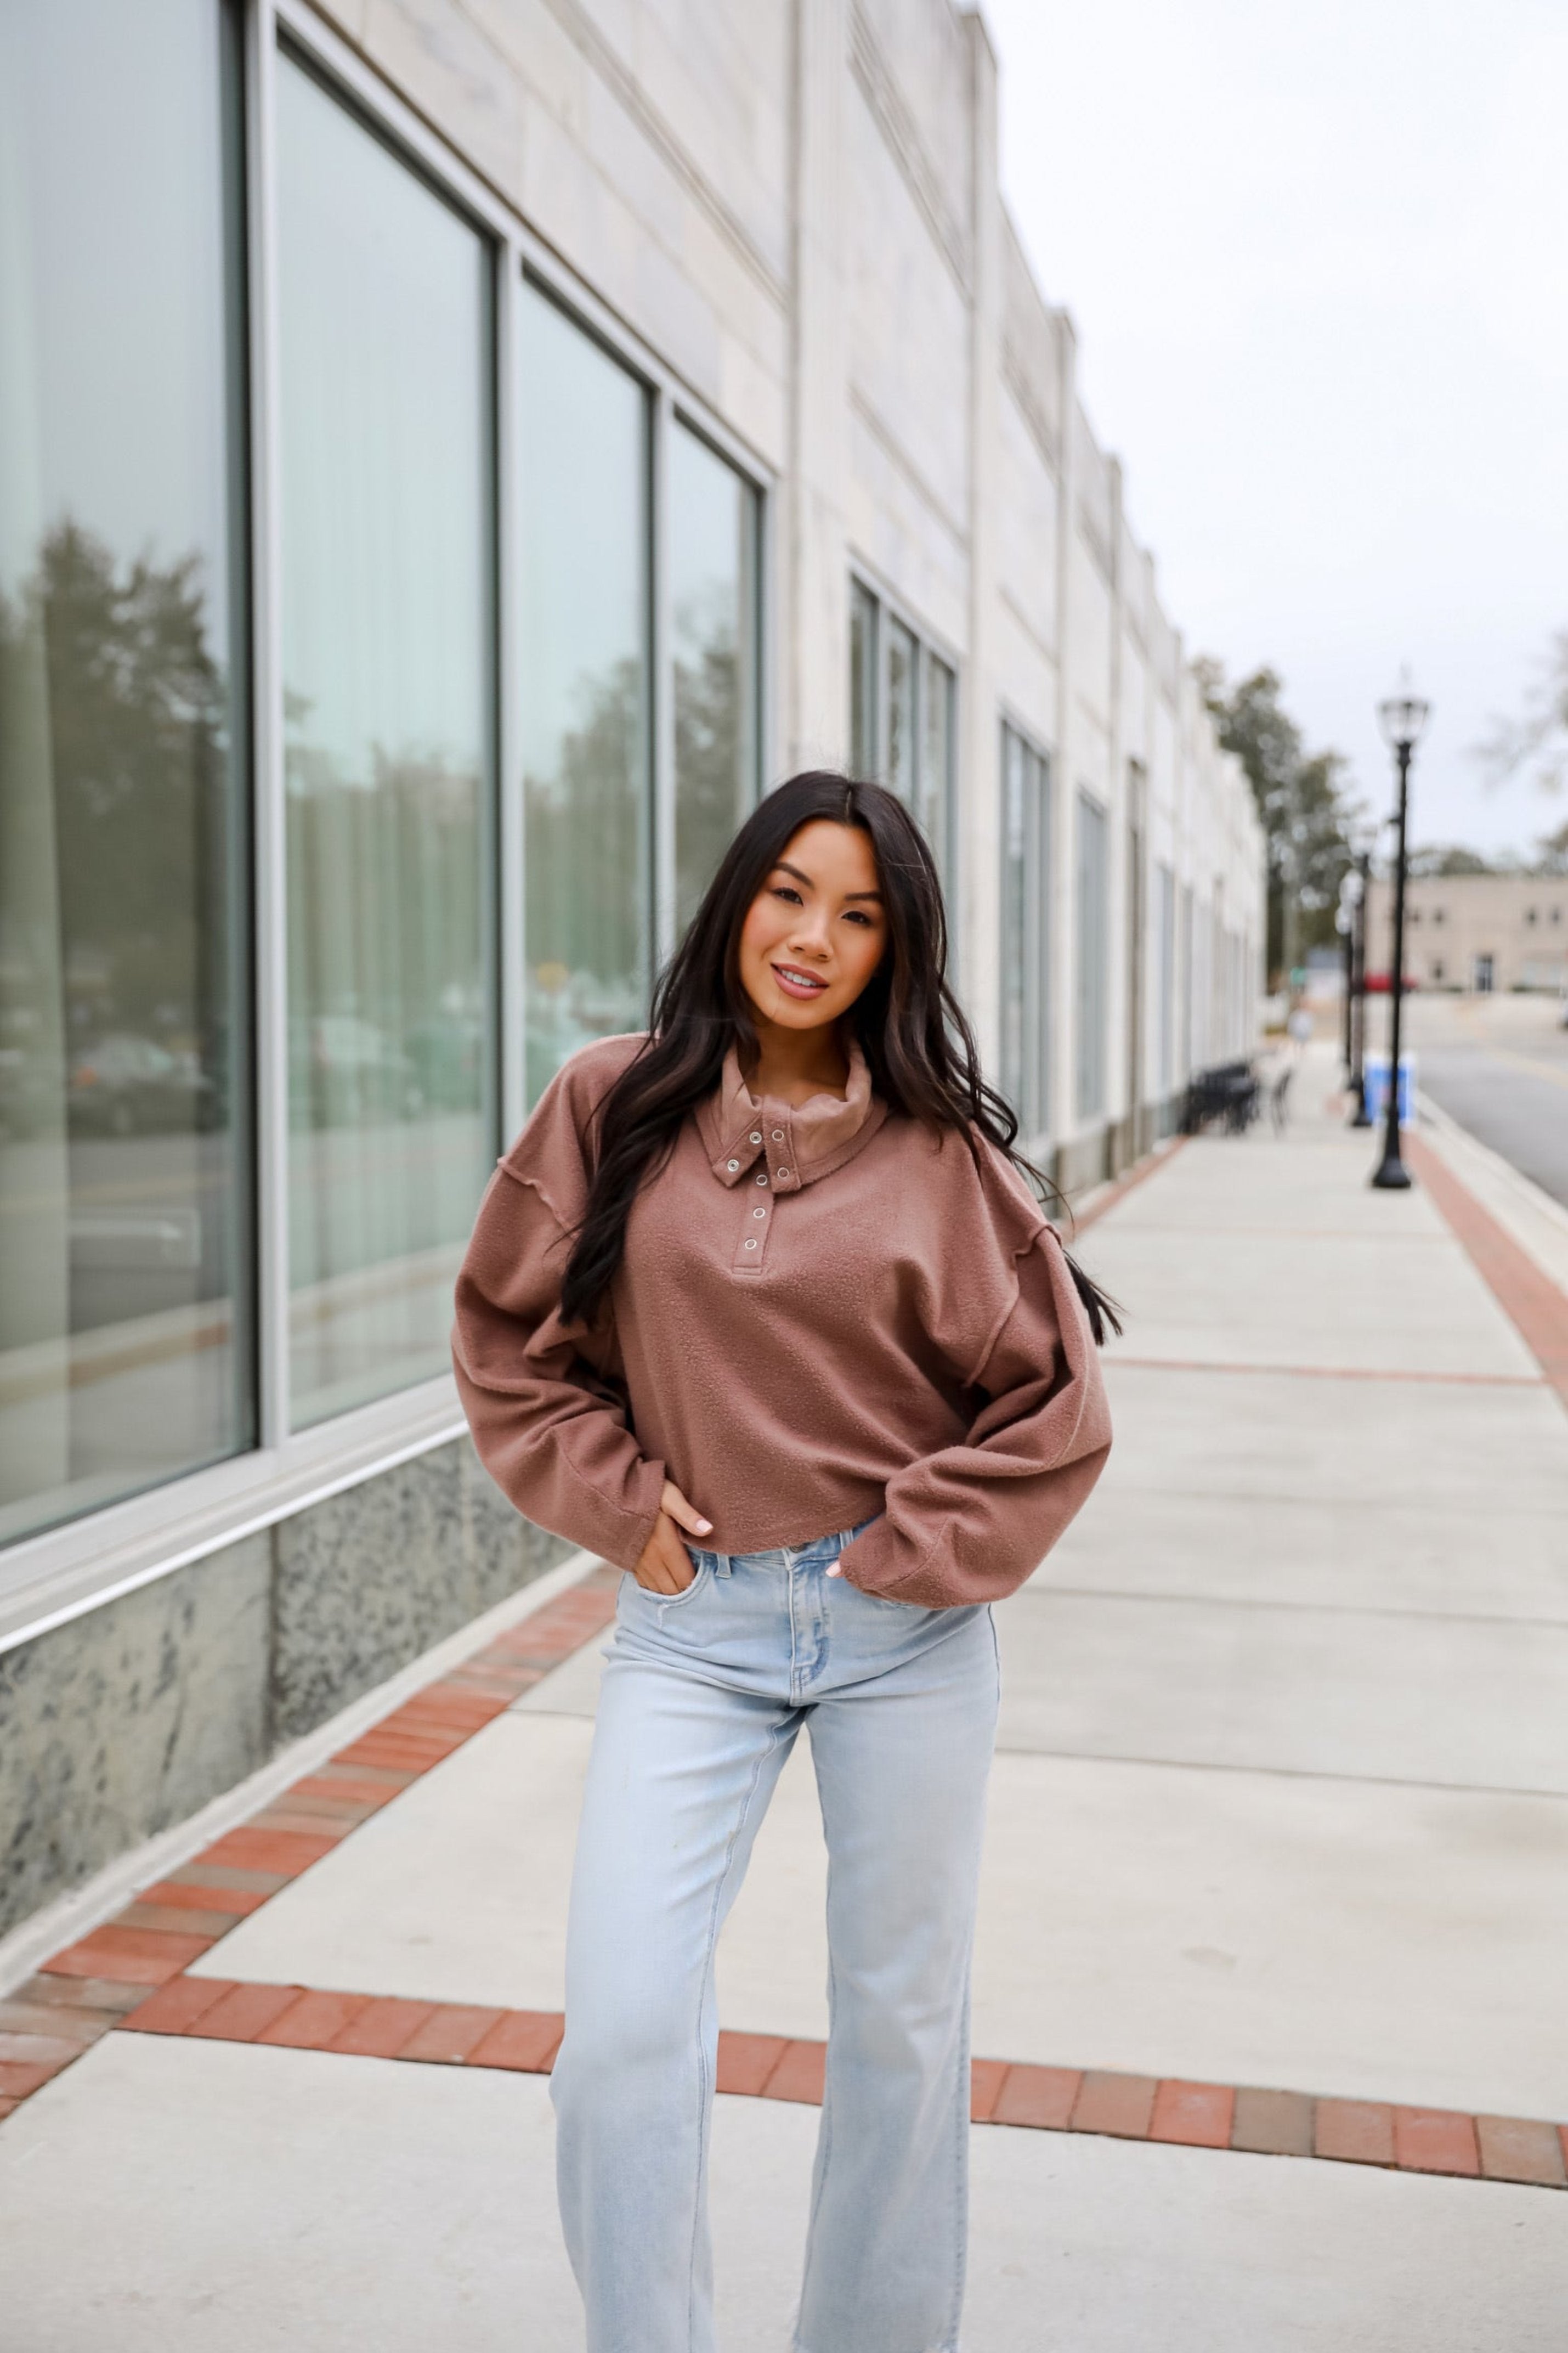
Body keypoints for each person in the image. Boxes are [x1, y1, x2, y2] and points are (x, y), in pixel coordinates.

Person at [451, 771, 1118, 2353]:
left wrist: (906, 1550)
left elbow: (1056, 1407)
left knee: (897, 2032)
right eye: (788, 893)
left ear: (898, 950)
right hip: (692, 1628)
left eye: (860, 913)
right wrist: (619, 1500)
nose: (813, 936)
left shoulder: (944, 1160)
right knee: (619, 2030)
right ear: (736, 900)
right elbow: (505, 1340)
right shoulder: (608, 1102)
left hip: (903, 1641)